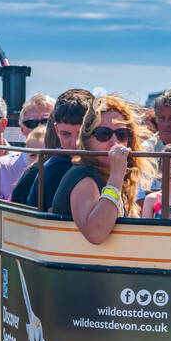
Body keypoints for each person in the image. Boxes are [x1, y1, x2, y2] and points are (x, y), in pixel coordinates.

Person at [52, 94, 151, 243]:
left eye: (122, 134)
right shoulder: (84, 176)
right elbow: (95, 233)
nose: (114, 142)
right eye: (103, 134)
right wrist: (117, 176)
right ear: (87, 139)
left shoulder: (109, 177)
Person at [24, 87, 93, 210]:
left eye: (82, 134)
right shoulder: (57, 169)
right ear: (57, 131)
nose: (75, 143)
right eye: (66, 134)